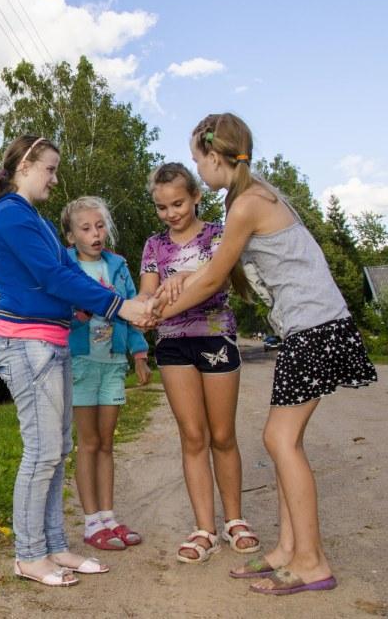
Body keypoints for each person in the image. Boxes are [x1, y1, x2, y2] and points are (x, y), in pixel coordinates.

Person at [155, 113, 377, 595]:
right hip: (311, 327)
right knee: (283, 440)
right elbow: (213, 268)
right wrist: (177, 282)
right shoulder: (252, 195)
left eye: (198, 159)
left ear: (215, 157)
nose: (199, 168)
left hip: (315, 326)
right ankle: (287, 551)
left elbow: (214, 278)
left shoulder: (245, 205)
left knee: (280, 440)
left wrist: (156, 313)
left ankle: (312, 561)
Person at [0, 135, 153, 587]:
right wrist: (118, 308)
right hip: (27, 344)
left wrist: (109, 302)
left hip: (51, 341)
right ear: (26, 166)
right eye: (50, 169)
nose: (55, 179)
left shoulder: (30, 217)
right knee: (40, 452)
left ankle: (54, 545)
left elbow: (69, 273)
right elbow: (51, 275)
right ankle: (29, 554)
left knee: (58, 450)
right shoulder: (11, 215)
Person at [139, 163, 260, 565]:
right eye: (162, 207)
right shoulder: (154, 246)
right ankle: (204, 528)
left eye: (178, 203)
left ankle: (235, 520)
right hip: (173, 344)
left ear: (195, 197)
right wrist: (151, 299)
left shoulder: (217, 234)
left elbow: (221, 278)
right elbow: (148, 298)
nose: (171, 213)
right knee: (193, 436)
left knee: (222, 435)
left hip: (215, 336)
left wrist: (187, 275)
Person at [60, 196, 150, 552]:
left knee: (107, 442)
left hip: (113, 363)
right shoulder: (64, 266)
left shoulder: (118, 265)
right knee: (89, 442)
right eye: (85, 228)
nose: (95, 234)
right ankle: (91, 522)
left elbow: (133, 307)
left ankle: (109, 517)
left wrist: (139, 352)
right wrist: (74, 316)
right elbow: (56, 308)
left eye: (99, 226)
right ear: (71, 236)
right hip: (81, 363)